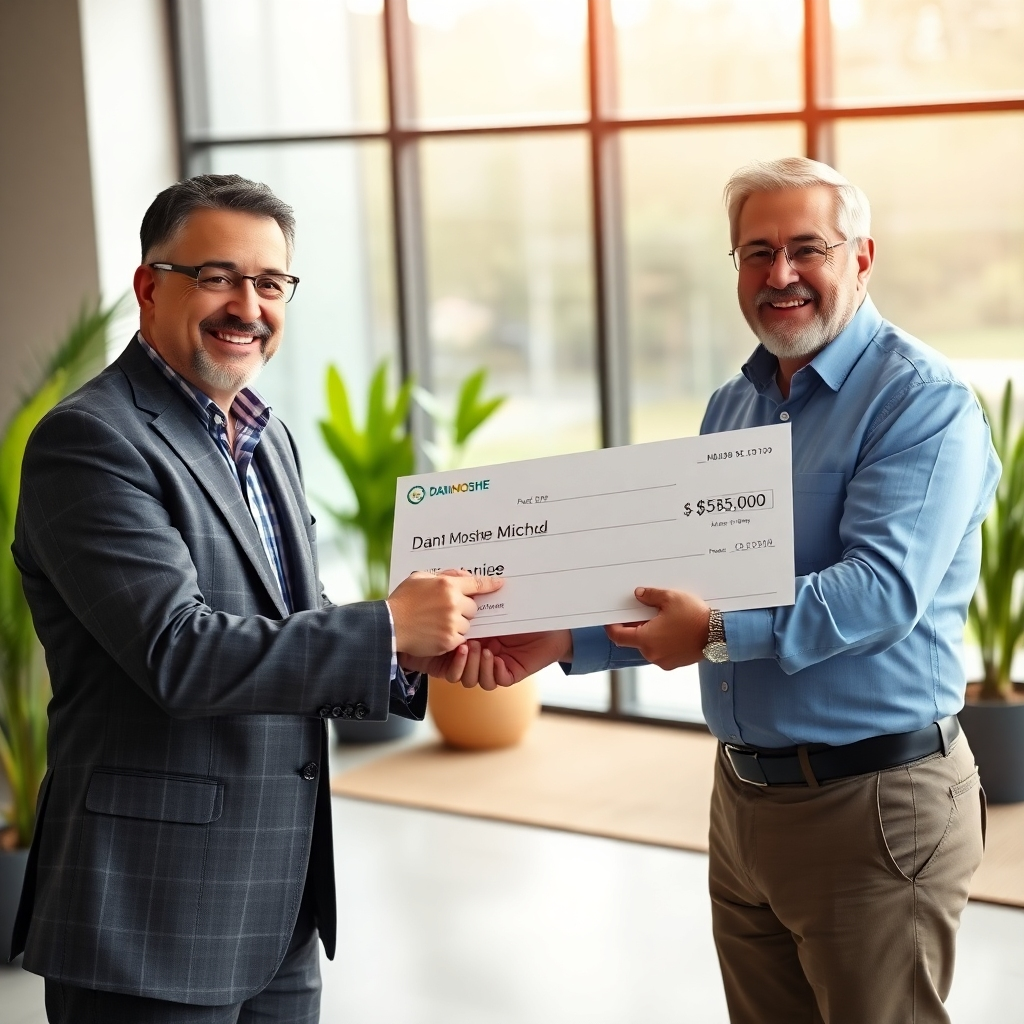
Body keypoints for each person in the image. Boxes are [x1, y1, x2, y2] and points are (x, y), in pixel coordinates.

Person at [459, 157, 1000, 1024]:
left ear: (861, 258)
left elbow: (880, 590)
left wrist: (712, 632)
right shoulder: (731, 407)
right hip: (744, 801)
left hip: (874, 806)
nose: (779, 275)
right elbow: (681, 585)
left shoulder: (921, 402)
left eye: (805, 249)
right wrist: (558, 639)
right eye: (755, 252)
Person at [10, 174, 499, 1023]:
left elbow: (291, 621)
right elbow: (181, 653)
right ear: (148, 286)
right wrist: (385, 628)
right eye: (218, 276)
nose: (248, 305)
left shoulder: (264, 435)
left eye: (270, 283)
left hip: (279, 907)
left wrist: (416, 653)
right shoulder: (90, 440)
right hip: (149, 916)